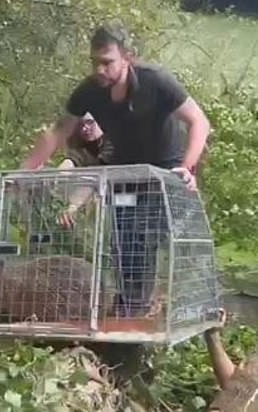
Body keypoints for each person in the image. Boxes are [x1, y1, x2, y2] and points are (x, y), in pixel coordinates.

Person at [22, 22, 210, 317]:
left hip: (164, 175)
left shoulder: (156, 81)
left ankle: (156, 307)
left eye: (107, 62)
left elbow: (199, 121)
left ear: (128, 58)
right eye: (94, 62)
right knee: (123, 236)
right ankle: (128, 305)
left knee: (147, 234)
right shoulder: (88, 91)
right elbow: (59, 130)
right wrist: (27, 169)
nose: (99, 69)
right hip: (125, 177)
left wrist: (188, 168)